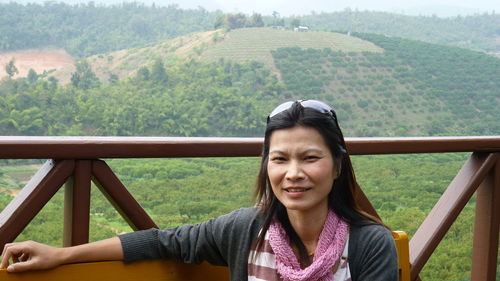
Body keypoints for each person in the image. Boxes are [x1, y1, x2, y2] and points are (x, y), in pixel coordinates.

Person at [1, 100, 398, 281]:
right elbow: (161, 242)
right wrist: (62, 255)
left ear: (338, 165)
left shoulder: (367, 244)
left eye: (310, 158)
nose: (293, 174)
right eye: (279, 160)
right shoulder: (247, 229)